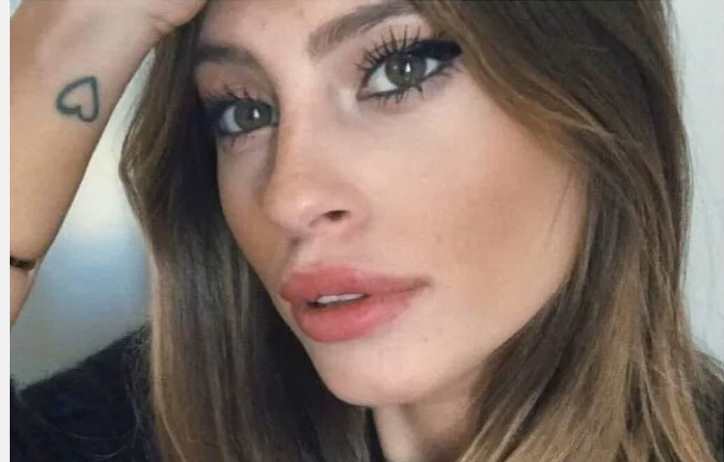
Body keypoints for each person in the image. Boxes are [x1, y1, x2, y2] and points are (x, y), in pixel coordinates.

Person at [10, 0, 724, 461]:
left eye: (400, 69)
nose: (289, 198)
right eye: (244, 112)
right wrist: (58, 50)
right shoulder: (114, 433)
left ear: (599, 96)